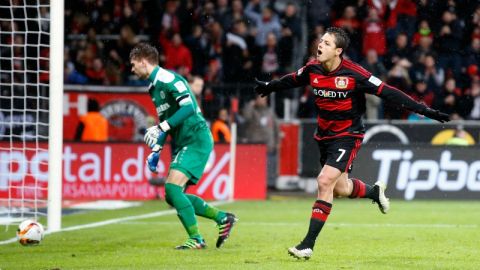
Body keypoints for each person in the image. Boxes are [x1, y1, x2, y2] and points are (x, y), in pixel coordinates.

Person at [254, 27, 450, 260]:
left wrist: (424, 110)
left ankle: (307, 244)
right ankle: (374, 192)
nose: (320, 46)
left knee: (324, 181)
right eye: (321, 41)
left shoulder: (355, 74)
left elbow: (388, 92)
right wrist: (270, 86)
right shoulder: (312, 68)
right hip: (324, 135)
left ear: (338, 51)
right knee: (340, 188)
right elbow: (293, 79)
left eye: (326, 44)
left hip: (348, 135)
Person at [129, 43, 237, 250]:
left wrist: (162, 126)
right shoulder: (153, 87)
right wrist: (156, 150)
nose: (132, 69)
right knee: (173, 195)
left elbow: (188, 107)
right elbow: (167, 120)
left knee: (171, 188)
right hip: (183, 141)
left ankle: (196, 238)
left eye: (133, 65)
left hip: (196, 138)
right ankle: (223, 218)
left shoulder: (168, 79)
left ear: (144, 62)